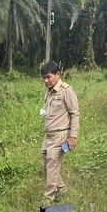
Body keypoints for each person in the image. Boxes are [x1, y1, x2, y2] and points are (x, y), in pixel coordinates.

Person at [40, 61, 79, 201]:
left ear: (58, 74)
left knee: (51, 166)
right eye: (44, 78)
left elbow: (74, 114)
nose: (46, 80)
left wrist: (73, 137)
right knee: (46, 164)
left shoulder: (66, 91)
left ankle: (48, 197)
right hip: (48, 136)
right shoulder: (49, 91)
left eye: (49, 77)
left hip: (60, 136)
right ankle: (62, 189)